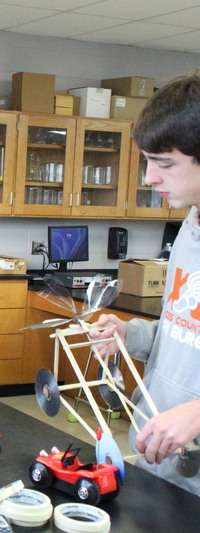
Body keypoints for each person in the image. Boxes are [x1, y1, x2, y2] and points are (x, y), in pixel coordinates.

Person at [90, 72, 200, 495]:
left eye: (165, 163)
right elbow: (184, 329)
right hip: (161, 457)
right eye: (148, 161)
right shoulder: (190, 227)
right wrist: (131, 334)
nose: (150, 178)